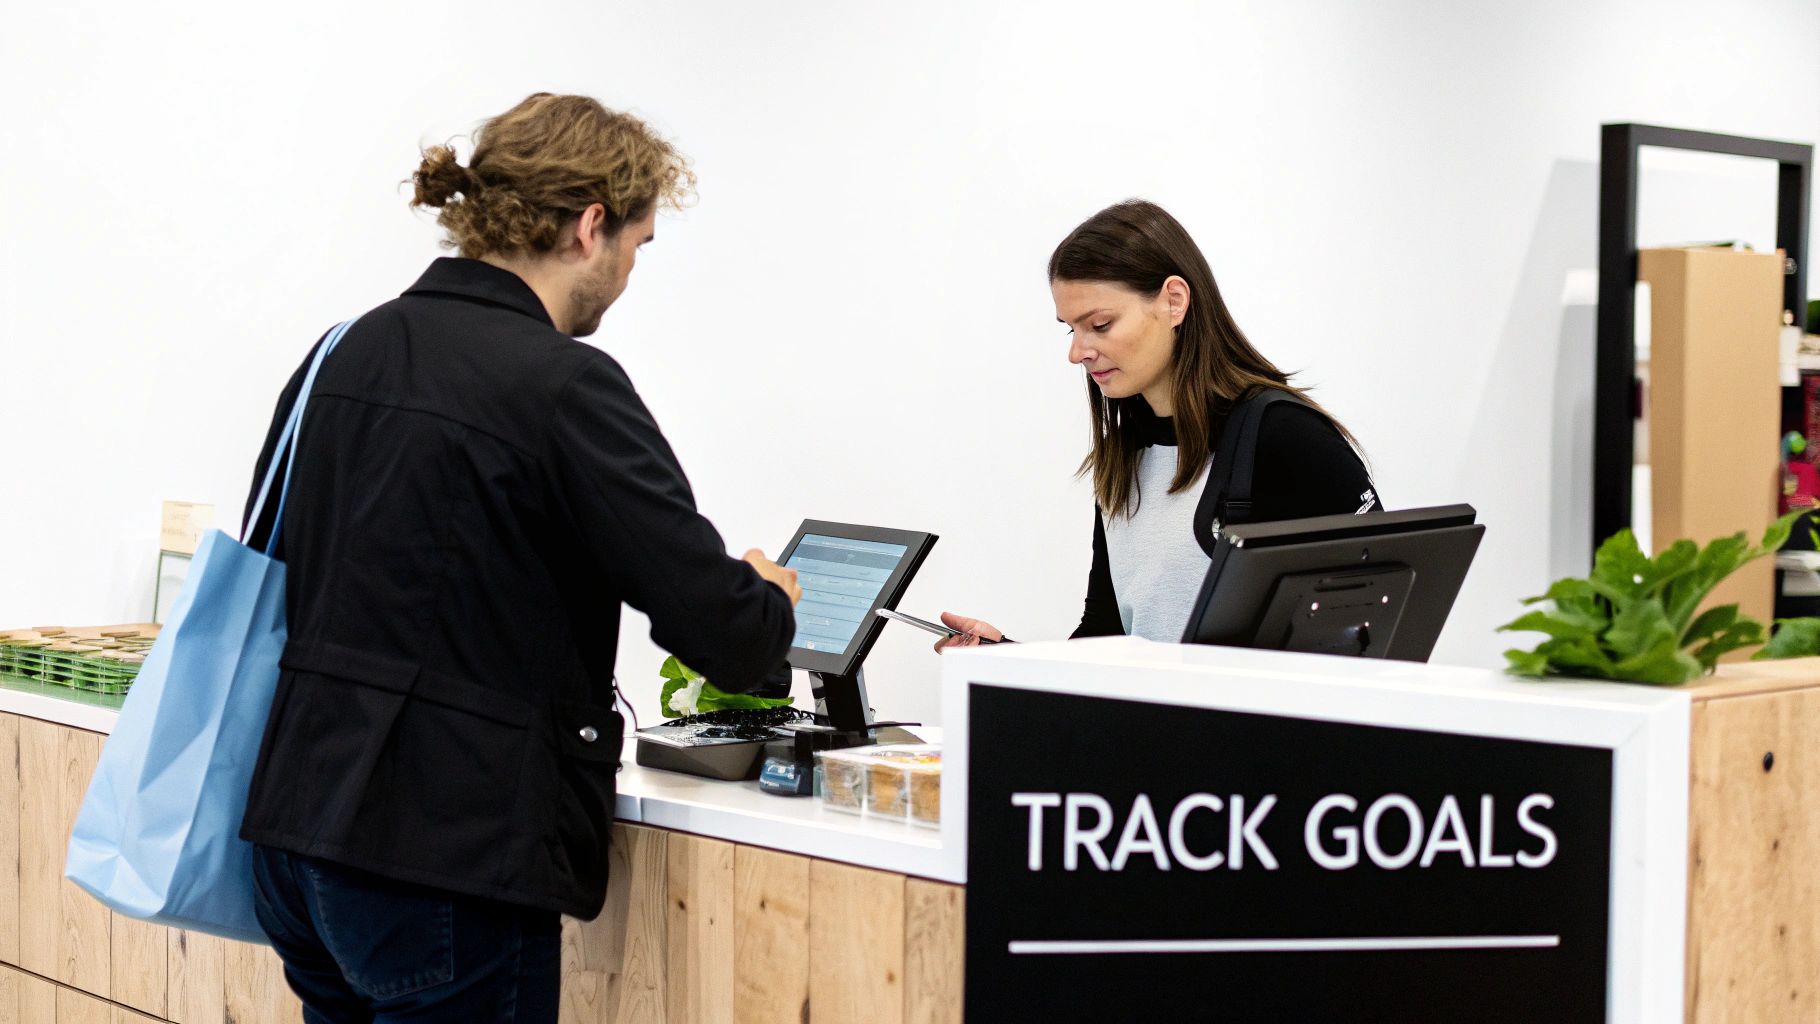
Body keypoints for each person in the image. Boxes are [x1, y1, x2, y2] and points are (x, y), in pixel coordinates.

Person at [237, 93, 802, 1022]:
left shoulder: (346, 350)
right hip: (443, 858)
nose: (627, 274)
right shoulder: (565, 387)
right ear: (590, 226)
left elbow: (292, 559)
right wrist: (769, 596)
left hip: (297, 838)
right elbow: (724, 633)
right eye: (636, 246)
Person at [939, 199, 1379, 648]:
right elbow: (1106, 636)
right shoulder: (1125, 453)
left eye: (1100, 324)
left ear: (1173, 301)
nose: (1077, 352)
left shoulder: (1287, 436)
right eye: (1072, 329)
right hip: (1150, 721)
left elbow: (1374, 631)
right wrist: (1008, 657)